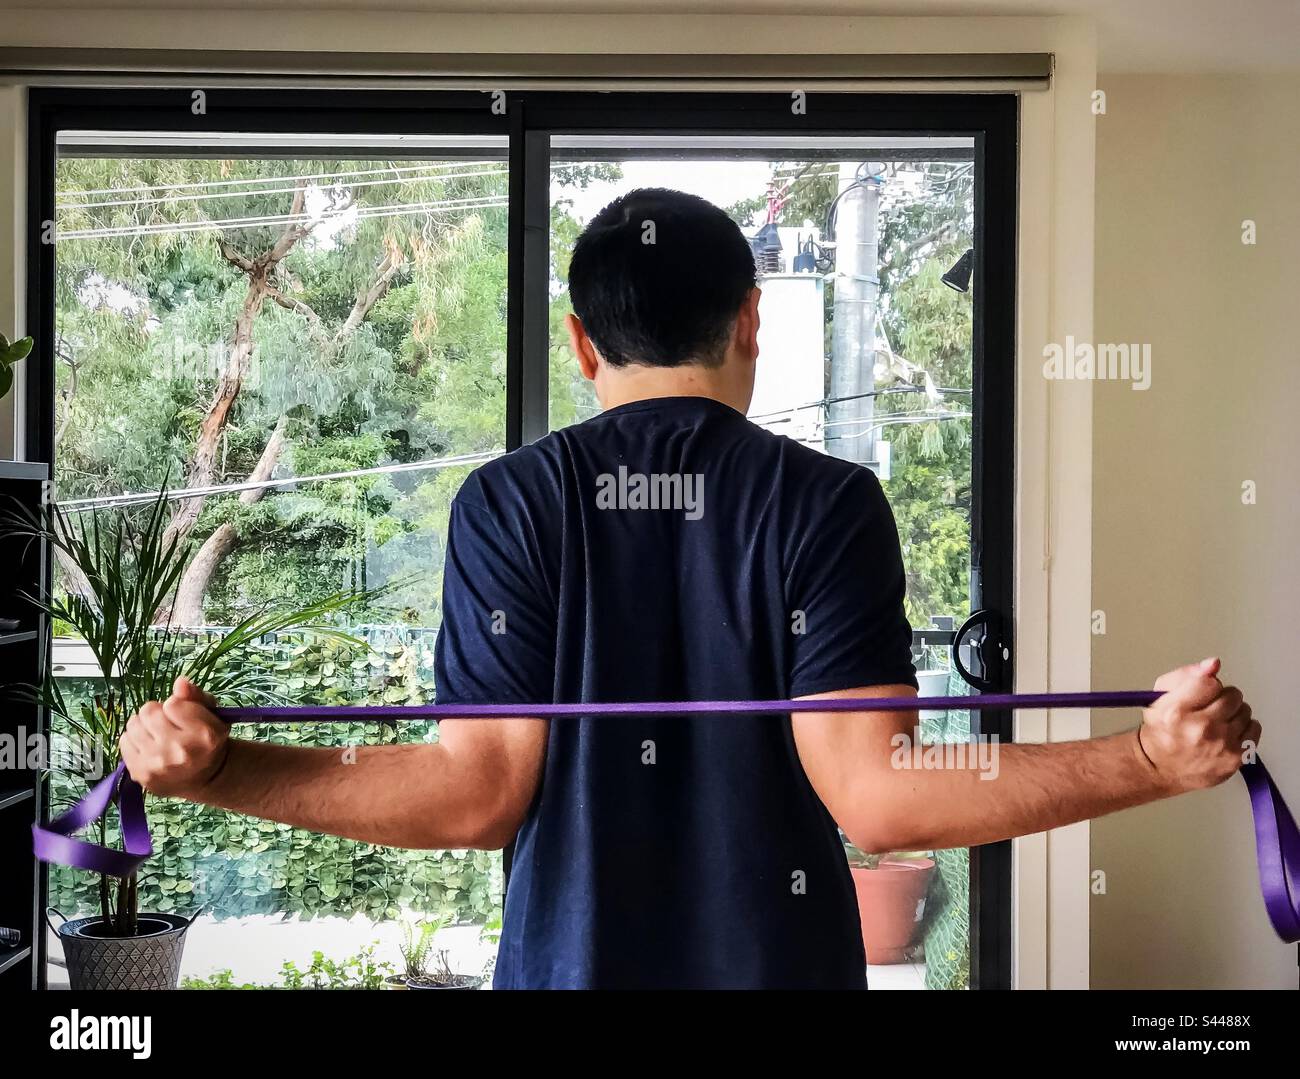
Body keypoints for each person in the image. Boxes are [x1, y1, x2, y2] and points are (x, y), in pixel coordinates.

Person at [121, 188, 1259, 989]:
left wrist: (223, 767)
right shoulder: (827, 500)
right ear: (748, 319)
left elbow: (473, 794)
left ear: (577, 342)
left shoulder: (507, 502)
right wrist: (1147, 758)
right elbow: (880, 796)